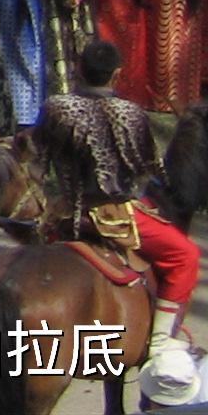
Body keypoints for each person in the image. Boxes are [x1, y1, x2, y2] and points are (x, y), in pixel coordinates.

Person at [35, 40, 200, 396]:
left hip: (64, 214)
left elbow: (38, 159)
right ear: (117, 74)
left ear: (78, 69)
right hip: (113, 215)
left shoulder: (54, 108)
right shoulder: (131, 113)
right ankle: (158, 345)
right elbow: (149, 168)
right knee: (186, 256)